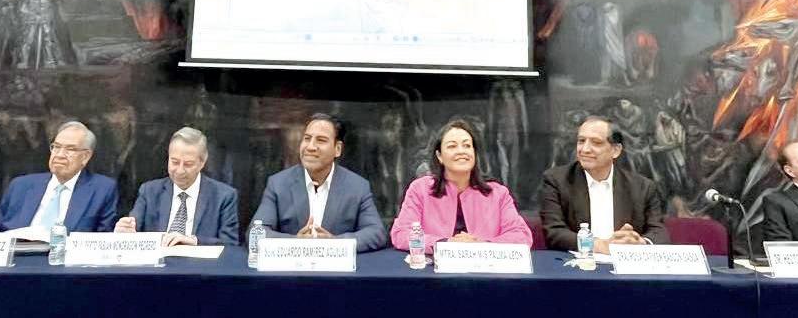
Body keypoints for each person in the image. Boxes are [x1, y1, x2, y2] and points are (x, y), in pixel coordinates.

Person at [390, 119, 531, 253]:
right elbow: (401, 234)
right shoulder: (420, 189)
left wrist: (481, 245)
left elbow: (522, 236)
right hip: (433, 267)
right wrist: (445, 244)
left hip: (485, 267)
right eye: (452, 146)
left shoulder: (498, 193)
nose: (461, 151)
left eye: (467, 145)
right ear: (439, 156)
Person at [252, 113, 387, 252]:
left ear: (337, 149)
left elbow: (376, 233)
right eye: (307, 139)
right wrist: (295, 242)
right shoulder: (278, 184)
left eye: (321, 140)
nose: (310, 147)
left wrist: (335, 243)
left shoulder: (357, 187)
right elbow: (256, 232)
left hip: (336, 265)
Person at [539, 116, 667, 253]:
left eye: (596, 143)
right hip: (577, 262)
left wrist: (640, 243)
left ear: (616, 150)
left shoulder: (642, 187)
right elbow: (554, 232)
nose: (585, 149)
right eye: (581, 141)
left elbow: (659, 232)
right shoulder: (556, 181)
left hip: (624, 263)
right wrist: (599, 245)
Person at [114, 127, 239, 246]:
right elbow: (133, 228)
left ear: (202, 162)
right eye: (174, 162)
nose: (180, 170)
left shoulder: (223, 196)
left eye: (188, 164)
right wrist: (126, 231)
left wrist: (194, 241)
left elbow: (230, 243)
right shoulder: (149, 191)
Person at [0, 121, 118, 232]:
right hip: (21, 250)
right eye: (56, 147)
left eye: (70, 149)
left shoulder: (101, 189)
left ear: (85, 156)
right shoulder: (20, 186)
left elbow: (103, 237)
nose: (60, 155)